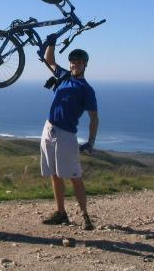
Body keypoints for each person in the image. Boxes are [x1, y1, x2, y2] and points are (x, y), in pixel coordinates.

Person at [40, 35, 99, 229]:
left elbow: (94, 118)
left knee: (74, 176)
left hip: (66, 134)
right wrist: (52, 42)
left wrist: (91, 142)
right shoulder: (63, 75)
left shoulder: (86, 89)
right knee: (54, 174)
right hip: (49, 129)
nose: (74, 65)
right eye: (73, 62)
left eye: (79, 63)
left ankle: (85, 215)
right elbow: (49, 60)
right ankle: (61, 213)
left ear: (85, 65)